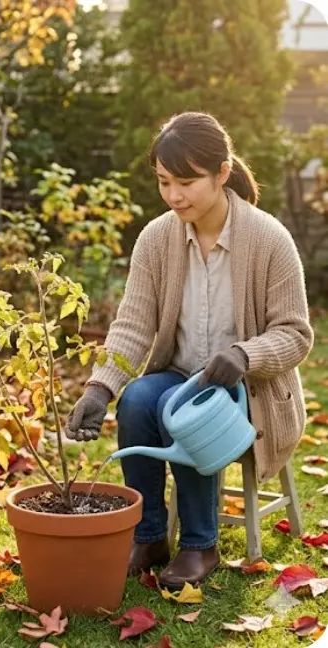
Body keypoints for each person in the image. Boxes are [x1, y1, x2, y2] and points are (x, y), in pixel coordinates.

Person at [66, 112, 313, 589]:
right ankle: (150, 536)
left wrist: (244, 355)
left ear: (221, 173)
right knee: (140, 399)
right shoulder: (157, 239)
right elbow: (133, 325)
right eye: (163, 182)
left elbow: (296, 333)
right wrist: (99, 388)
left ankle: (201, 545)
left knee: (184, 410)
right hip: (179, 376)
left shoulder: (268, 239)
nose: (174, 195)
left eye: (186, 182)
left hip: (248, 394)